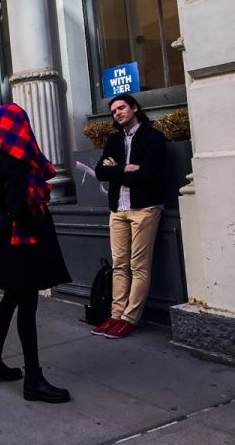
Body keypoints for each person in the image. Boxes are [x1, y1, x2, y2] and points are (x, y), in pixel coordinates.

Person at [0, 103, 72, 403]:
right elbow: (20, 208)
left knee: (10, 299)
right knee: (27, 306)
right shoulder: (16, 161)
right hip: (24, 242)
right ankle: (33, 379)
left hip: (5, 242)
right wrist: (40, 230)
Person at [92, 93, 166, 339]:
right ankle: (115, 316)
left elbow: (149, 175)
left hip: (144, 209)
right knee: (120, 266)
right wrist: (124, 168)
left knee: (138, 266)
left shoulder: (153, 137)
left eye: (121, 108)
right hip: (118, 210)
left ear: (134, 107)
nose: (118, 113)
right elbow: (100, 173)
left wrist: (115, 170)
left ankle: (130, 319)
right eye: (113, 111)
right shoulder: (113, 140)